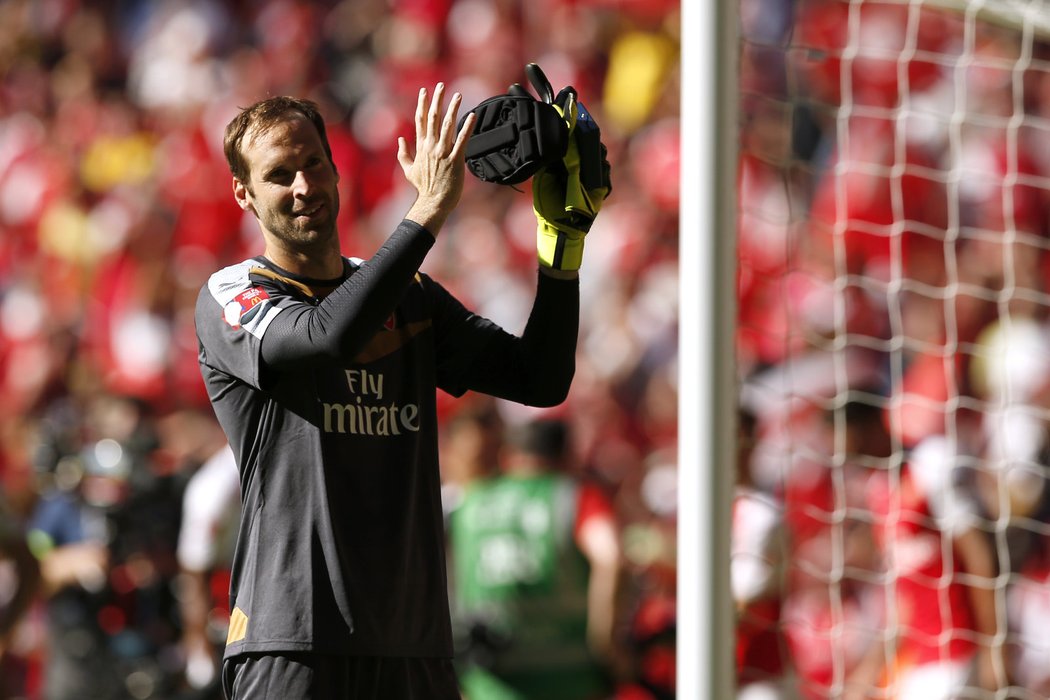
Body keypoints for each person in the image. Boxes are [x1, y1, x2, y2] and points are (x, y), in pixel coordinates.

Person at [194, 78, 608, 700]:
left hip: (414, 645)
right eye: (279, 175)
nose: (303, 186)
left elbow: (539, 379)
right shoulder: (232, 293)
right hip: (293, 641)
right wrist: (426, 212)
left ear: (336, 169)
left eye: (313, 164)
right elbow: (322, 337)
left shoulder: (405, 296)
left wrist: (562, 244)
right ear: (244, 194)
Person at [447, 417, 623, 700]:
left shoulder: (470, 502)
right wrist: (606, 643)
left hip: (489, 681)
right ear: (567, 455)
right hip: (569, 680)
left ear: (511, 456)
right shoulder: (573, 496)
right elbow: (611, 557)